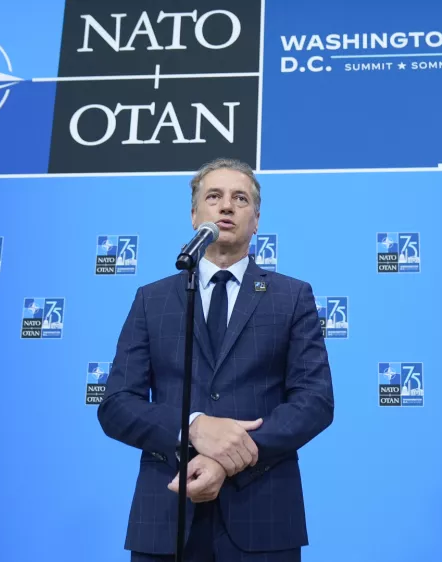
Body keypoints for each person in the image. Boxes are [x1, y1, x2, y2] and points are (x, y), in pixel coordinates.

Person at [97, 158, 335, 562]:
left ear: (256, 220)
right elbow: (117, 405)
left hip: (263, 516)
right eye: (214, 197)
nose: (227, 206)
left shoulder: (292, 297)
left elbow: (314, 402)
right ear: (195, 215)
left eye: (240, 198)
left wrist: (230, 456)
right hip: (166, 516)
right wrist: (191, 427)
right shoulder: (151, 300)